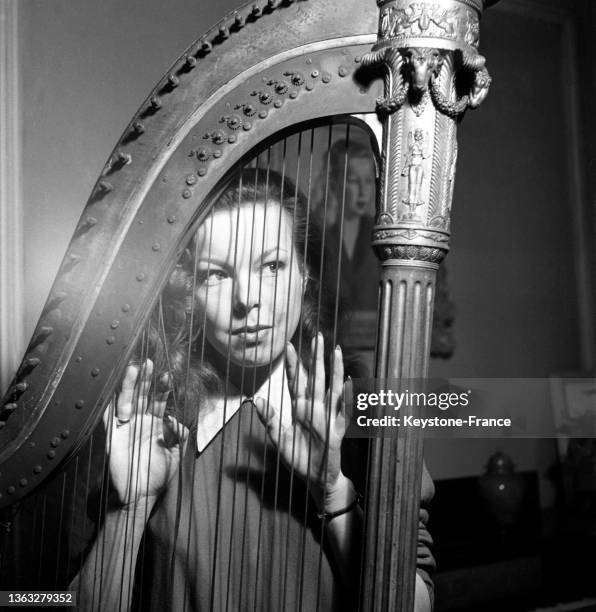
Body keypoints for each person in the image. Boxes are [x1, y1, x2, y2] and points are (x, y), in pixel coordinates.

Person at [71, 168, 434, 611]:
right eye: (216, 275)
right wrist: (131, 508)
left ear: (305, 276)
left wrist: (334, 492)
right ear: (189, 294)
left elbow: (417, 606)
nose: (248, 299)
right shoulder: (147, 424)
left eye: (272, 266)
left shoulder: (370, 415)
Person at [319, 138, 379, 312]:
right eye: (353, 180)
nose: (362, 191)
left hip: (373, 337)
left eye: (368, 181)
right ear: (334, 183)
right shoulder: (322, 236)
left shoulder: (381, 233)